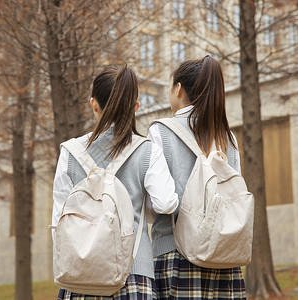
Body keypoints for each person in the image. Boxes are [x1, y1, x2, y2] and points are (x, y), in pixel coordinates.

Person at [52, 66, 179, 299]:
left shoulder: (70, 153)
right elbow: (166, 204)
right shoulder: (148, 151)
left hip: (81, 278)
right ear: (136, 108)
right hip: (134, 275)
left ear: (94, 104)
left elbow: (59, 222)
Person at [148, 56, 247, 299]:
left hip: (175, 254)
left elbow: (155, 206)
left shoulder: (160, 131)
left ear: (178, 89)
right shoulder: (229, 139)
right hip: (223, 258)